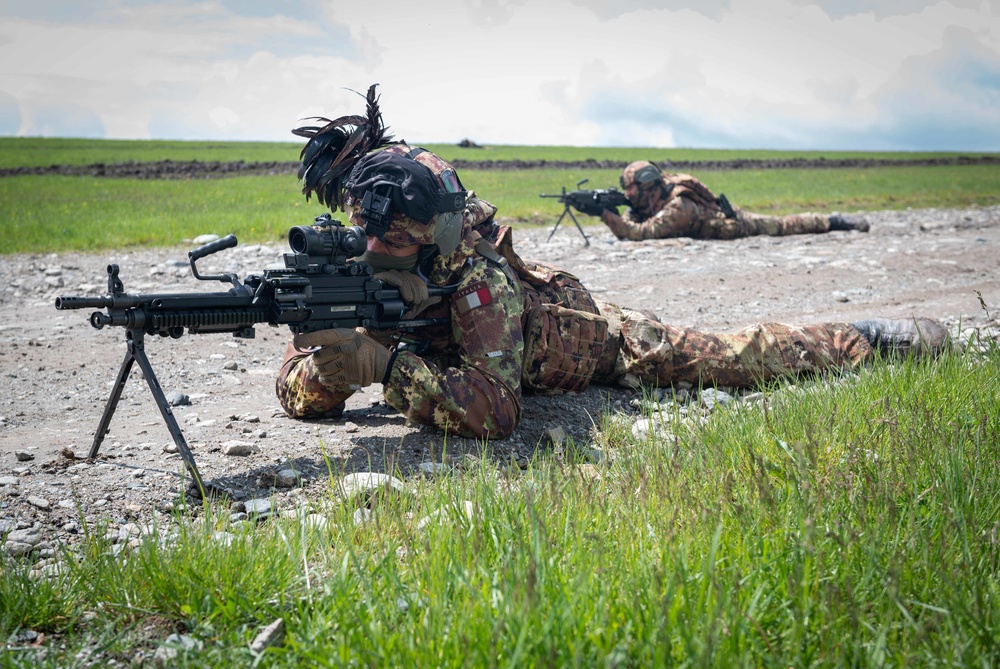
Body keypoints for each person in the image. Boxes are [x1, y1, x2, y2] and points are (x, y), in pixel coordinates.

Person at [275, 87, 947, 440]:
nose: (372, 256)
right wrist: (334, 374)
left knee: (731, 357)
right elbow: (296, 387)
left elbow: (495, 410)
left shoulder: (478, 279)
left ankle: (858, 338)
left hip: (598, 340)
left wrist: (386, 367)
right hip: (515, 340)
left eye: (391, 244)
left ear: (430, 238)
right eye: (369, 238)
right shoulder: (363, 269)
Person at [599, 160, 870, 241]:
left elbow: (642, 232)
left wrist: (607, 215)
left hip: (733, 223)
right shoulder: (654, 198)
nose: (630, 195)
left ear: (647, 186)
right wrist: (626, 210)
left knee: (781, 225)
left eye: (634, 189)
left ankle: (833, 222)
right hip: (717, 216)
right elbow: (639, 215)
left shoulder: (678, 206)